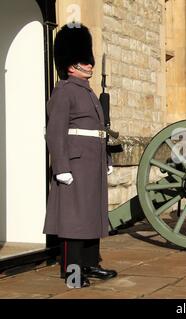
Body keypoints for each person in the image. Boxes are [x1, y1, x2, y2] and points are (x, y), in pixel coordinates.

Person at [44, 23, 117, 288]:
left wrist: (106, 159)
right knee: (73, 221)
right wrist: (61, 167)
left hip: (92, 163)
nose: (89, 65)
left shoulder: (87, 91)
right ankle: (72, 274)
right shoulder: (64, 91)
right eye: (83, 61)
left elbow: (99, 131)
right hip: (74, 164)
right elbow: (55, 132)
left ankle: (90, 264)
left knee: (90, 216)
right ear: (71, 65)